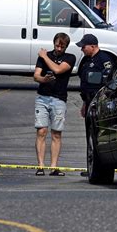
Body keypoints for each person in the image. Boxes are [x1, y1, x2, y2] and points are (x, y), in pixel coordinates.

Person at [33, 32, 76, 176]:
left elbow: (58, 70)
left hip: (59, 99)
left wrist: (45, 56)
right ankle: (40, 165)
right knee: (41, 131)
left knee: (56, 133)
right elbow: (36, 75)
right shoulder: (44, 57)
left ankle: (54, 166)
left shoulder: (70, 58)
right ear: (54, 43)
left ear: (66, 47)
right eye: (57, 45)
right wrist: (43, 79)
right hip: (43, 97)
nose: (58, 49)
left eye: (62, 47)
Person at [76, 34, 114, 176]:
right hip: (89, 101)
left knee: (97, 134)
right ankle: (91, 166)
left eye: (83, 47)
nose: (82, 50)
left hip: (99, 101)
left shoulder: (104, 60)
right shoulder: (87, 60)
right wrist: (84, 103)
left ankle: (97, 166)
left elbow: (107, 81)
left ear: (92, 46)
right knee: (89, 136)